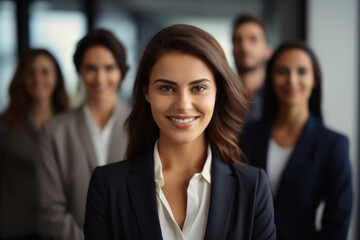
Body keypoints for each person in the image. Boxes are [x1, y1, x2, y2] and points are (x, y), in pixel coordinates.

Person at [84, 24, 276, 240]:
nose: (183, 105)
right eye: (166, 88)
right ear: (147, 91)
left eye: (198, 88)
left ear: (218, 92)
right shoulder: (108, 186)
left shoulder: (253, 187)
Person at [242, 41, 352, 240]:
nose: (292, 80)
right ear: (271, 79)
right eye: (282, 71)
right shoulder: (248, 135)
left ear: (315, 80)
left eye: (302, 71)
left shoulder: (333, 144)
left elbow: (338, 221)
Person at [36, 29, 130, 240]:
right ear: (79, 70)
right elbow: (51, 210)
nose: (100, 78)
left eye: (109, 68)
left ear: (121, 71)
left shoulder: (142, 125)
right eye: (90, 68)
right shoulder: (53, 131)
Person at [0, 49, 69, 239]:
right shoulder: (6, 125)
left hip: (58, 228)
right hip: (15, 227)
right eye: (31, 72)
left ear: (56, 78)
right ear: (22, 78)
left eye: (45, 72)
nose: (38, 78)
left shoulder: (69, 125)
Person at [232, 13, 272, 123]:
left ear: (268, 50)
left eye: (253, 39)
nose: (244, 46)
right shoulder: (222, 96)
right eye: (238, 40)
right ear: (232, 50)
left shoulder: (279, 96)